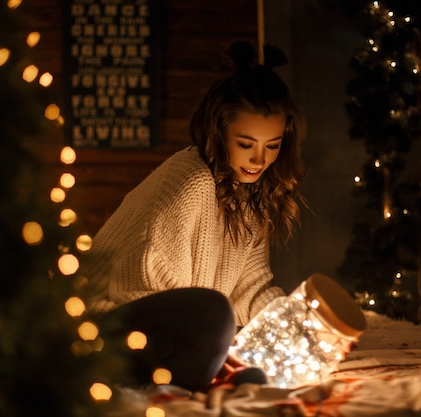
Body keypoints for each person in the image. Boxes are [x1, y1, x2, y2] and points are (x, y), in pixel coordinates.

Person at [79, 41, 306, 392]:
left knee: (258, 358)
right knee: (213, 316)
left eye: (272, 146)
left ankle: (217, 376)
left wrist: (289, 320)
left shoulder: (251, 195)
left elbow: (250, 287)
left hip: (172, 332)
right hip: (101, 332)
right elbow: (138, 286)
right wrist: (219, 337)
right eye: (246, 144)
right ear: (220, 131)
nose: (259, 160)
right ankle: (210, 378)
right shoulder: (192, 180)